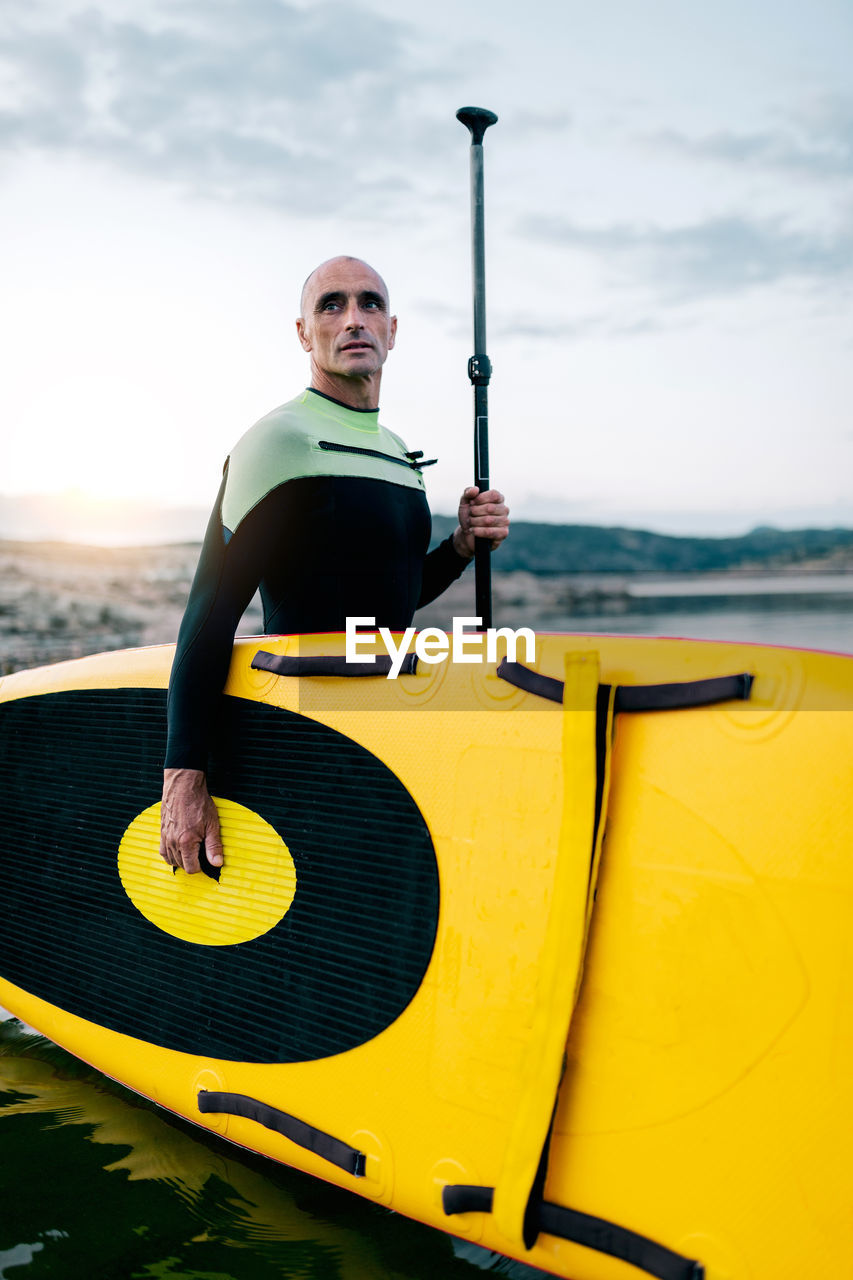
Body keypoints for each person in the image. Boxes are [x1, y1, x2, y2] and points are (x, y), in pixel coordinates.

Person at [159, 256, 510, 874]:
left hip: (398, 740)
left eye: (369, 304)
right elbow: (209, 615)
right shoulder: (278, 442)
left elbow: (394, 599)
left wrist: (460, 546)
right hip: (302, 740)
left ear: (392, 330)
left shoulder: (400, 453)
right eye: (332, 305)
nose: (354, 319)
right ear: (303, 333)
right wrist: (183, 773)